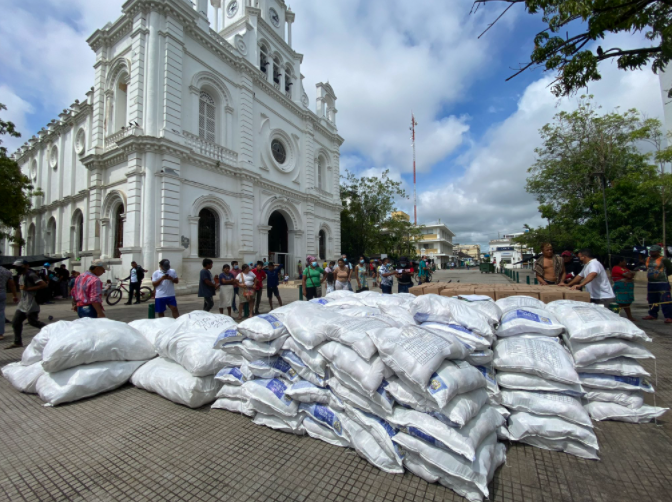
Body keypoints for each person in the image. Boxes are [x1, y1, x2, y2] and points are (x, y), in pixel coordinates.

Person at [6, 260, 48, 349]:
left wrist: (29, 288)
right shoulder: (21, 275)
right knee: (16, 322)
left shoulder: (31, 275)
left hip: (32, 303)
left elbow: (44, 285)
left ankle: (52, 330)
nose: (17, 268)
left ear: (26, 265)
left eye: (19, 266)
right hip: (23, 304)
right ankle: (17, 342)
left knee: (33, 322)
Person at [641, 244, 672, 323]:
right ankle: (652, 314)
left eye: (654, 251)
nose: (652, 252)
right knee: (652, 299)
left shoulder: (664, 259)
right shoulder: (647, 259)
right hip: (651, 283)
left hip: (662, 283)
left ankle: (669, 316)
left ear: (658, 252)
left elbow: (670, 269)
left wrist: (663, 274)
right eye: (651, 251)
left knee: (665, 300)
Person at [612, 256, 635, 321]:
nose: (625, 262)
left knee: (627, 302)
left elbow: (632, 274)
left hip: (627, 287)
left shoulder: (625, 268)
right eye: (624, 261)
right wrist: (629, 275)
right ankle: (615, 316)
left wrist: (630, 275)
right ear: (620, 262)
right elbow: (629, 275)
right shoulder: (616, 268)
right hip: (621, 287)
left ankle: (630, 316)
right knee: (620, 302)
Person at [0, 265, 19, 342]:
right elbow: (12, 284)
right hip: (2, 293)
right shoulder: (6, 271)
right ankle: (0, 334)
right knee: (1, 313)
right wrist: (14, 295)